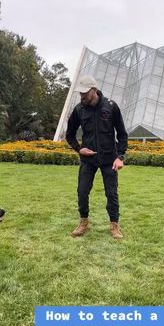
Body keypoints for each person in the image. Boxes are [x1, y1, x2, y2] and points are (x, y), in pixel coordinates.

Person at [66, 75, 128, 239]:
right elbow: (69, 134)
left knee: (111, 193)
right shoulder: (79, 109)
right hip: (88, 160)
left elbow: (122, 134)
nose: (82, 97)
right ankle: (83, 222)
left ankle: (114, 225)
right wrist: (79, 149)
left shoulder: (111, 107)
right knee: (82, 191)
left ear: (94, 90)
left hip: (109, 159)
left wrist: (120, 157)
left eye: (85, 93)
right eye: (80, 94)